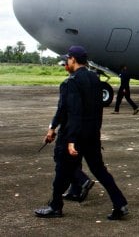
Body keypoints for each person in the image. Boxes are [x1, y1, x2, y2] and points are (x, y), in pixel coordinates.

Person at [34, 45, 129, 220]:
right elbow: (97, 111)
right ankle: (120, 203)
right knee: (100, 171)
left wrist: (67, 138)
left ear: (73, 60)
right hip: (92, 135)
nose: (65, 62)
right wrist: (94, 133)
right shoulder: (95, 80)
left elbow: (69, 111)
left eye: (67, 59)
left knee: (61, 170)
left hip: (73, 135)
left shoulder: (71, 82)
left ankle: (55, 206)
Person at [46, 60, 95, 203]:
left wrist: (52, 128)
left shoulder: (68, 84)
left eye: (65, 63)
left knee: (61, 159)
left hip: (69, 129)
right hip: (85, 129)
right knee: (75, 159)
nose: (64, 66)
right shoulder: (90, 82)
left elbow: (63, 110)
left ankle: (83, 181)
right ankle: (75, 190)